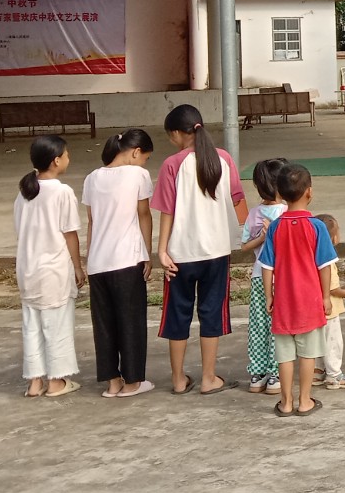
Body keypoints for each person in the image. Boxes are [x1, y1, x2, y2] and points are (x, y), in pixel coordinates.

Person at [151, 103, 248, 396]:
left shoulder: (172, 164)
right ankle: (209, 378)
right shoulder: (223, 158)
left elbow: (167, 210)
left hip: (181, 253)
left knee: (178, 314)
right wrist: (247, 234)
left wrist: (162, 249)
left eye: (171, 136)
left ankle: (179, 380)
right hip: (217, 251)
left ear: (179, 134)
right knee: (211, 313)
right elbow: (237, 199)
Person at [255, 163, 337, 419]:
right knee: (308, 354)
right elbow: (324, 266)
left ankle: (286, 402)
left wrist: (269, 296)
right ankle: (304, 401)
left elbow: (266, 265)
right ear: (309, 192)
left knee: (285, 356)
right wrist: (325, 296)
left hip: (283, 301)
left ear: (279, 194)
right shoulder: (317, 227)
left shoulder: (276, 227)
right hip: (309, 299)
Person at [81, 128, 155, 399]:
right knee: (131, 320)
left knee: (104, 324)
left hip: (98, 262)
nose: (144, 163)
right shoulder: (138, 174)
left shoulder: (92, 178)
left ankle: (112, 381)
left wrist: (90, 258)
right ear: (136, 152)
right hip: (127, 258)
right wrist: (147, 253)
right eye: (145, 157)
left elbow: (91, 222)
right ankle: (133, 381)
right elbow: (144, 214)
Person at [14, 135, 85, 399]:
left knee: (31, 324)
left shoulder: (25, 193)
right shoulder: (62, 192)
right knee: (56, 324)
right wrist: (77, 267)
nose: (68, 158)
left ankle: (34, 382)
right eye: (66, 155)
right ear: (56, 161)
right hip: (53, 269)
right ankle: (56, 380)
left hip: (28, 268)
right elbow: (70, 234)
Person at [242, 158, 289, 395]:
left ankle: (257, 373)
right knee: (277, 325)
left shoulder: (254, 213)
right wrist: (267, 235)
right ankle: (274, 372)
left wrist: (261, 238)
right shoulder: (287, 212)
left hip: (259, 275)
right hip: (281, 278)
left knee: (259, 325)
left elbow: (244, 245)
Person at [317, 214, 345, 390]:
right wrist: (344, 293)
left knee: (316, 341)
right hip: (329, 309)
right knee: (333, 341)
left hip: (314, 308)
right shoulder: (328, 259)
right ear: (332, 237)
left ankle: (317, 372)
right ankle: (334, 375)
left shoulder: (311, 255)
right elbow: (332, 288)